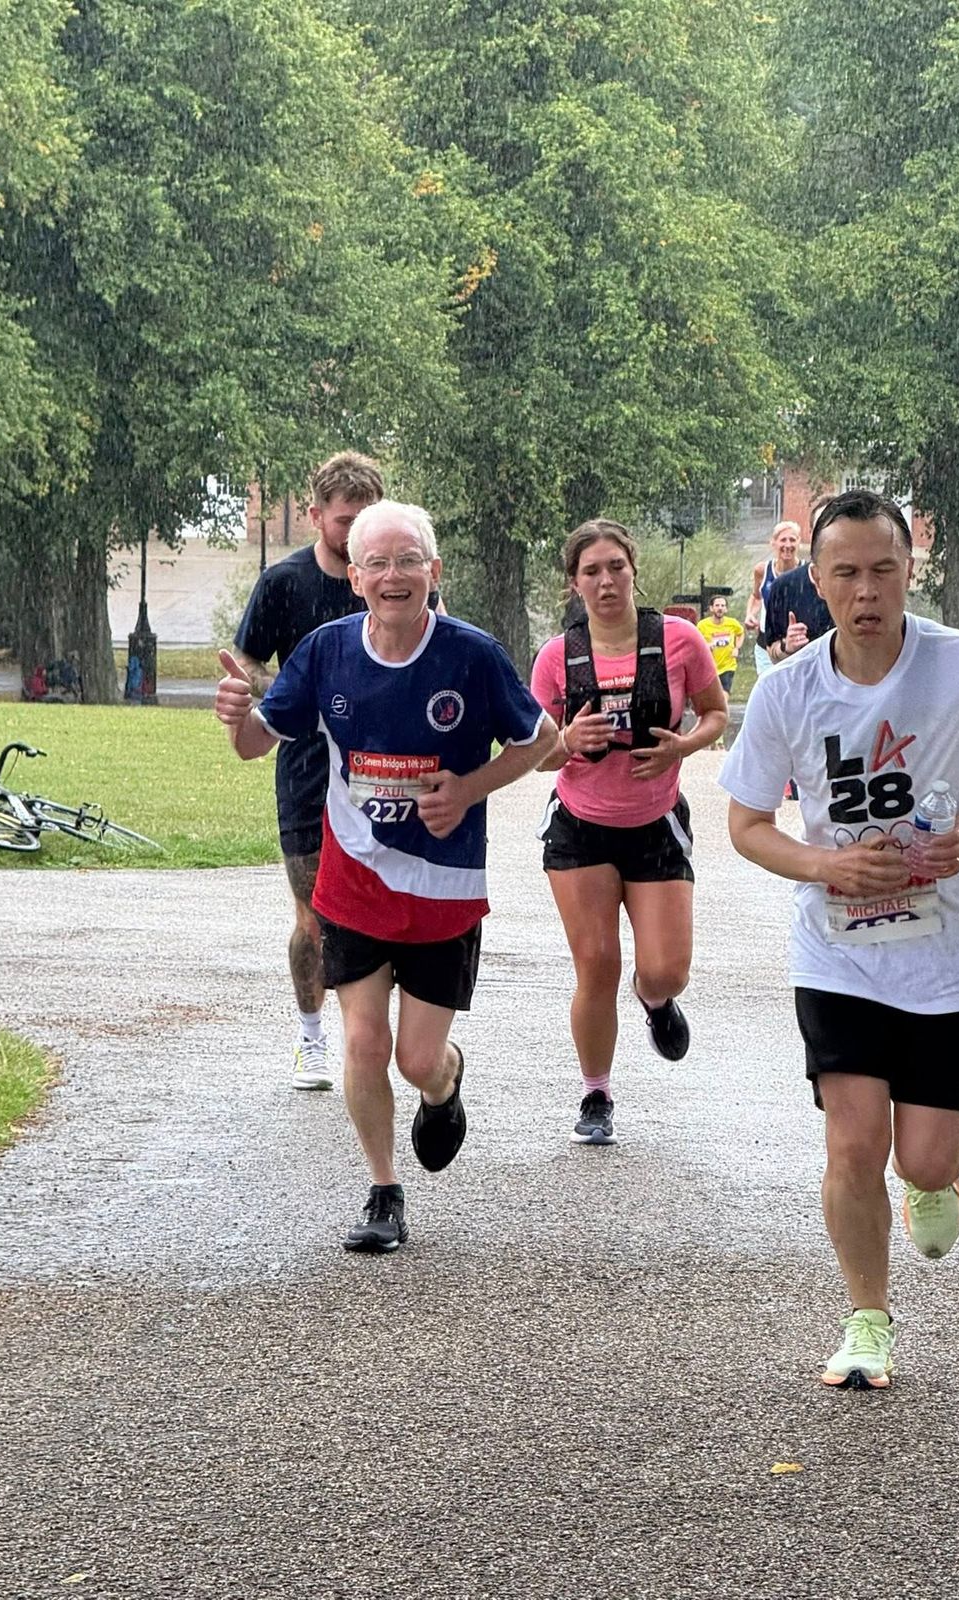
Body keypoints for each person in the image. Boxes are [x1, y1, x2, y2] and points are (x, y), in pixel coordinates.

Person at [720, 487, 959, 1390]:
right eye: (847, 573)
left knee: (921, 1155)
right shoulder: (787, 691)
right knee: (852, 1147)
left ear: (910, 572)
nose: (867, 591)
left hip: (946, 955)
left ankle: (937, 1179)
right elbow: (746, 823)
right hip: (839, 951)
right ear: (814, 581)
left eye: (884, 571)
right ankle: (867, 1320)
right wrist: (828, 868)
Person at [216, 501, 556, 1252]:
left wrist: (467, 788)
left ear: (432, 574)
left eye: (408, 561)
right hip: (354, 880)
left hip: (443, 890)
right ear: (357, 578)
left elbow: (542, 740)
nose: (393, 576)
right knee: (365, 1044)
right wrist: (235, 713)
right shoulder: (326, 652)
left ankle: (445, 1082)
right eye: (377, 563)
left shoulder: (471, 655)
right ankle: (383, 1191)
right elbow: (251, 744)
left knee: (416, 1059)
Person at [232, 452, 443, 1092]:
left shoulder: (400, 575)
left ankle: (397, 1034)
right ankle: (311, 1035)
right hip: (305, 769)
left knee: (395, 906)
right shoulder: (284, 584)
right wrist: (274, 694)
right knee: (314, 912)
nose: (356, 532)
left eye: (367, 519)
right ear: (316, 514)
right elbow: (243, 663)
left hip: (390, 769)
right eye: (344, 520)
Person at [530, 519, 728, 1146]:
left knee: (666, 970)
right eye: (592, 571)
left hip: (654, 822)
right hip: (580, 828)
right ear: (574, 584)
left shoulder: (678, 638)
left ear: (634, 570)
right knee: (596, 964)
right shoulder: (557, 657)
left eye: (616, 566)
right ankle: (595, 1093)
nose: (606, 580)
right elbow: (531, 753)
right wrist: (565, 742)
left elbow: (715, 711)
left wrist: (684, 747)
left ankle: (657, 1000)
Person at [746, 520, 803, 676]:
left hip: (798, 644)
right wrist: (750, 614)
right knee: (770, 693)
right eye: (783, 540)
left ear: (799, 542)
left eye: (792, 539)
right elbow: (757, 597)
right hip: (767, 644)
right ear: (773, 543)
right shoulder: (762, 570)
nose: (788, 545)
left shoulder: (807, 571)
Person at [758, 550, 834, 666]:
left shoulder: (865, 585)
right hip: (805, 676)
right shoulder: (783, 587)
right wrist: (787, 647)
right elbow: (772, 652)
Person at [697, 595, 746, 693]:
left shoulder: (733, 623)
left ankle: (722, 708)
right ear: (711, 608)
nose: (720, 608)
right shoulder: (702, 625)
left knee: (724, 694)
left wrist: (736, 648)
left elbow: (740, 634)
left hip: (728, 665)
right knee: (711, 697)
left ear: (726, 609)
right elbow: (695, 642)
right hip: (709, 666)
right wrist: (706, 646)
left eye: (723, 606)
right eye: (717, 605)